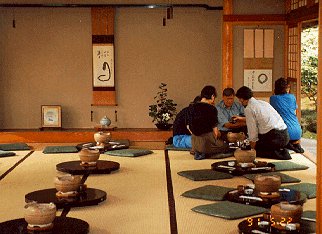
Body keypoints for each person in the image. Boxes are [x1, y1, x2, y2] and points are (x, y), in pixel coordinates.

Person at [235, 86, 291, 160]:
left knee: (253, 149)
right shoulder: (262, 103)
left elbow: (253, 132)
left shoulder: (249, 108)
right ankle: (282, 148)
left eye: (239, 100)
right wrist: (242, 119)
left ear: (242, 99)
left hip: (275, 138)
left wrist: (252, 149)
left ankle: (281, 153)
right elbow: (259, 119)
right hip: (285, 135)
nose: (240, 102)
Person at [189, 85, 230, 160]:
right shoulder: (212, 109)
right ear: (212, 96)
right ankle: (208, 153)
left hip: (194, 143)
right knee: (226, 146)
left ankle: (198, 152)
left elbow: (190, 127)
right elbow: (216, 133)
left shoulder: (192, 107)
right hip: (206, 142)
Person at [270, 78, 304, 153]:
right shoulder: (292, 97)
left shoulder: (273, 98)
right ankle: (292, 145)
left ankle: (288, 145)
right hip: (298, 131)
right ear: (286, 88)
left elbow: (272, 113)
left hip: (285, 133)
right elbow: (294, 111)